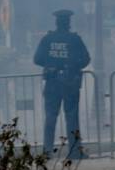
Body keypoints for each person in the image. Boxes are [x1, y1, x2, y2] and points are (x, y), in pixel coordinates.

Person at [33, 9, 90, 160]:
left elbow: (37, 59)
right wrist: (71, 66)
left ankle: (47, 152)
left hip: (52, 82)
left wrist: (52, 64)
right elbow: (86, 59)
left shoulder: (47, 39)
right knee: (72, 117)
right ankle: (75, 152)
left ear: (56, 22)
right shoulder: (74, 39)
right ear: (68, 23)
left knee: (50, 117)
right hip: (70, 82)